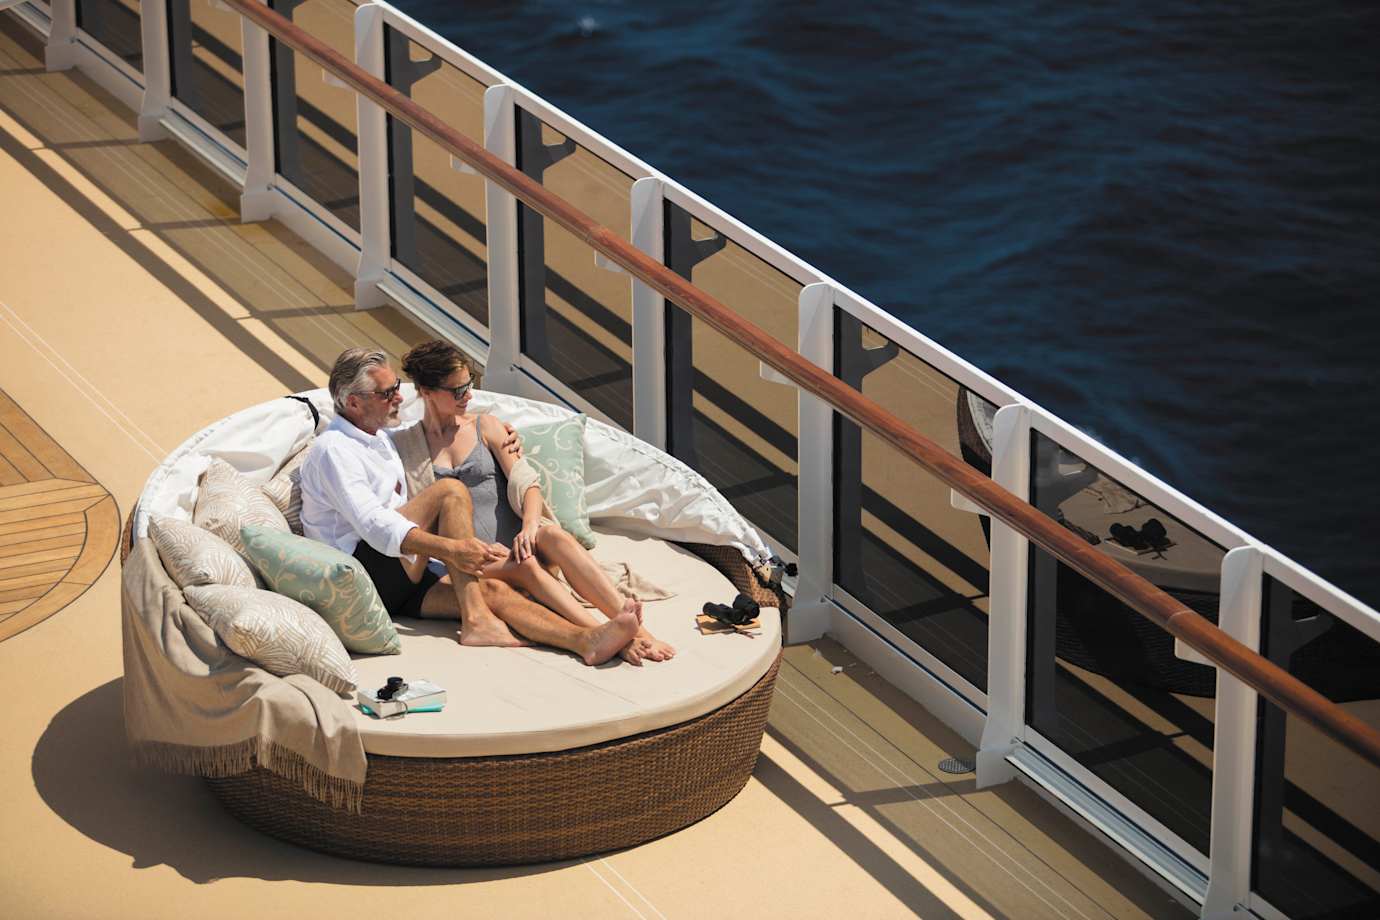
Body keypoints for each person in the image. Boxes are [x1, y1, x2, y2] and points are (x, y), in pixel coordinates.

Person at [298, 347, 639, 666]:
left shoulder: (382, 438)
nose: (399, 397)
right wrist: (453, 549)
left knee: (494, 590)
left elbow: (438, 432)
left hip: (399, 583)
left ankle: (587, 639)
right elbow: (374, 525)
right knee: (449, 490)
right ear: (354, 403)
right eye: (387, 393)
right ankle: (476, 619)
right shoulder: (334, 450)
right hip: (364, 572)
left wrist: (511, 435)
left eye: (398, 387)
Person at [396, 340, 675, 666]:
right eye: (457, 391)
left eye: (470, 385)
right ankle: (609, 634)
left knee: (554, 536)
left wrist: (529, 527)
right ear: (427, 392)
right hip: (472, 560)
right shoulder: (406, 447)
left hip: (519, 542)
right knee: (524, 564)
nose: (468, 396)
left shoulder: (486, 426)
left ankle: (641, 634)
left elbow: (527, 482)